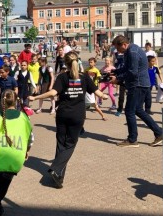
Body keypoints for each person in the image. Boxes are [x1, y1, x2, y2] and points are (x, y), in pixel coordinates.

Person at [29, 51, 108, 188]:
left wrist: (35, 97)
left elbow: (53, 93)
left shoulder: (62, 77)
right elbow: (99, 93)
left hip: (63, 115)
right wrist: (104, 96)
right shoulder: (84, 77)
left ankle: (58, 177)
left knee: (61, 143)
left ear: (65, 63)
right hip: (77, 116)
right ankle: (56, 171)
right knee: (70, 144)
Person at [110, 35, 163, 147]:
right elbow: (127, 68)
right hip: (140, 84)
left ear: (124, 44)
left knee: (129, 111)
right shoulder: (131, 49)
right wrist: (115, 72)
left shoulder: (132, 52)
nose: (118, 51)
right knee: (138, 110)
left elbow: (132, 72)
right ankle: (159, 134)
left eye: (118, 48)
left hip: (137, 85)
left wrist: (118, 79)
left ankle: (132, 140)